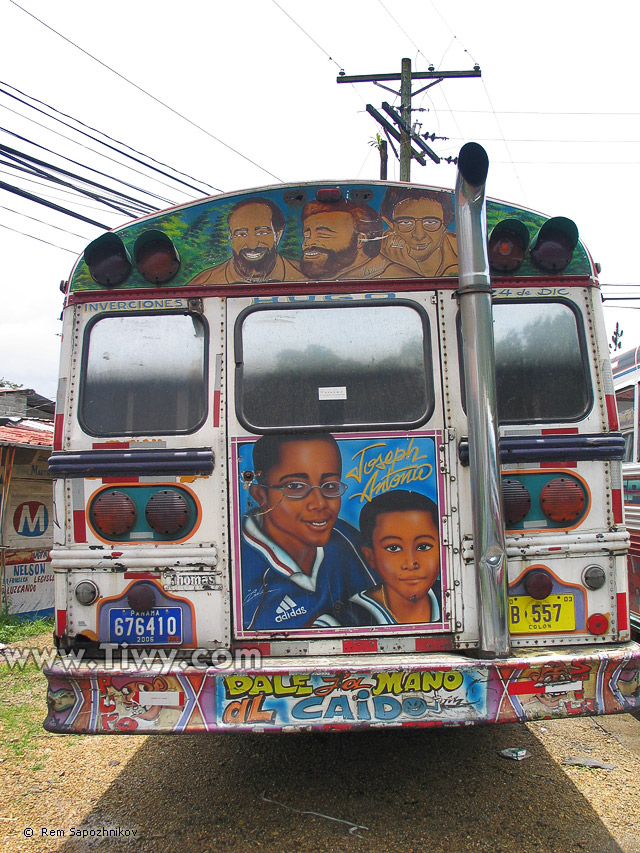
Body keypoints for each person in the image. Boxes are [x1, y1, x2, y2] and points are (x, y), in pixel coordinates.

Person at [241, 433, 377, 630]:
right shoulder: (241, 567)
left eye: (329, 486)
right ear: (261, 496)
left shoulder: (346, 538)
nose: (320, 503)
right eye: (295, 486)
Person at [315, 490, 441, 627]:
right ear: (370, 557)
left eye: (423, 546)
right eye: (393, 548)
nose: (411, 563)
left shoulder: (452, 599)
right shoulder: (339, 623)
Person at [190, 197, 302, 284]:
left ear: (278, 234)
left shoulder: (301, 275)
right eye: (241, 234)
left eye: (261, 233)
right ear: (230, 236)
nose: (252, 245)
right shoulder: (205, 281)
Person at [300, 198, 409, 281]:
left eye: (322, 235)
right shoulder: (332, 276)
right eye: (307, 236)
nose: (308, 243)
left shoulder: (397, 276)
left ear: (360, 240)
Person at [379, 187, 458, 278]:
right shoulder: (372, 253)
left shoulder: (463, 251)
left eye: (430, 222)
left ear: (445, 224)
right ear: (390, 224)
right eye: (406, 223)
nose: (419, 235)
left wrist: (409, 266)